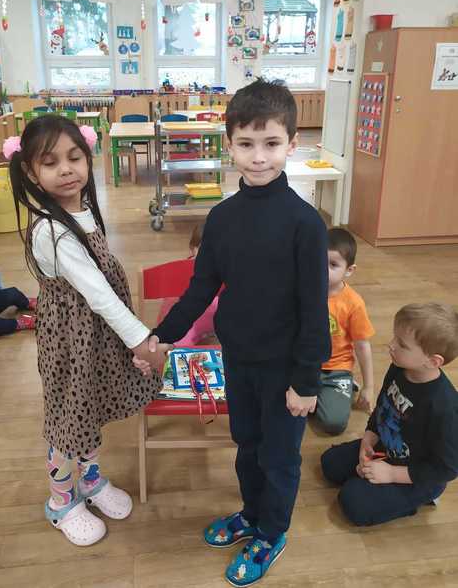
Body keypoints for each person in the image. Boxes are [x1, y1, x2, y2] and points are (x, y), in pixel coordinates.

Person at [137, 79, 331, 586]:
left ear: (292, 143)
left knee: (279, 456)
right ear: (229, 145)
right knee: (246, 444)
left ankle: (272, 532)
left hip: (285, 368)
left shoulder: (305, 224)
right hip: (237, 360)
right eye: (246, 143)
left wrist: (306, 381)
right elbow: (200, 289)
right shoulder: (222, 218)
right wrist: (163, 334)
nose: (259, 157)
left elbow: (314, 310)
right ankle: (251, 512)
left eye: (271, 143)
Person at [7, 115, 169, 546]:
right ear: (31, 173)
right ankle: (61, 501)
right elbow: (98, 294)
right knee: (68, 419)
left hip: (92, 337)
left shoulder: (82, 210)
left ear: (88, 158)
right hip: (68, 342)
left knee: (89, 409)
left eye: (74, 157)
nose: (66, 169)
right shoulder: (51, 230)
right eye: (50, 163)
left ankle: (90, 480)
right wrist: (141, 341)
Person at [321, 303, 458, 526]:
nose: (391, 345)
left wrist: (392, 474)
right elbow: (383, 407)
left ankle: (418, 499)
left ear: (433, 361)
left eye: (401, 344)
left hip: (418, 474)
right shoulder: (398, 368)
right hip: (387, 447)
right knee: (330, 464)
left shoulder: (445, 408)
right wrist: (368, 439)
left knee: (353, 501)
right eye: (395, 338)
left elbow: (447, 468)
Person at [313, 228, 375, 434]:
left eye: (333, 265)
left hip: (336, 369)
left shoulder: (353, 303)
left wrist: (369, 387)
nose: (323, 270)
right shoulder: (303, 291)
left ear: (349, 270)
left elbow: (362, 346)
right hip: (302, 364)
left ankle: (343, 388)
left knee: (333, 423)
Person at [156, 222, 218, 347]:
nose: (211, 255)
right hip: (186, 319)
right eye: (204, 249)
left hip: (207, 318)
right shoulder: (183, 270)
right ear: (193, 249)